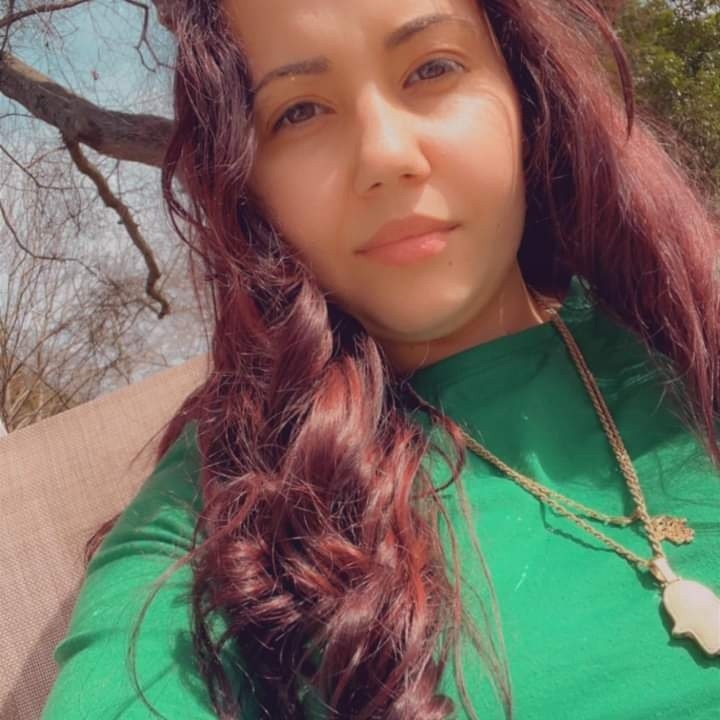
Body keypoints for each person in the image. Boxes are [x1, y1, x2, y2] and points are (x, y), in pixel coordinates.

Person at [41, 0, 720, 718]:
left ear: (525, 88)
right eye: (299, 111)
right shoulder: (228, 504)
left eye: (432, 68)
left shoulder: (679, 321)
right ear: (246, 183)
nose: (386, 156)